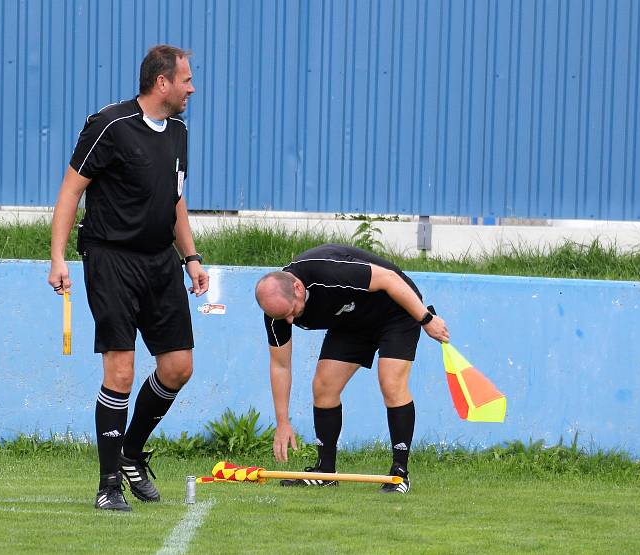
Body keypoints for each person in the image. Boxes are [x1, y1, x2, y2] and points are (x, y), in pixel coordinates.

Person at [48, 45, 209, 512]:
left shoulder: (178, 131)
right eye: (186, 80)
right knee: (120, 370)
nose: (191, 88)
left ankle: (131, 453)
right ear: (163, 82)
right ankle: (107, 487)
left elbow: (174, 200)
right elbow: (70, 191)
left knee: (179, 366)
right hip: (111, 258)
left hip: (161, 261)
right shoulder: (110, 125)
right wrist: (57, 258)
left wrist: (192, 257)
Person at [255, 244, 449, 493]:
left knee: (391, 383)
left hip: (396, 310)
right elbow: (280, 365)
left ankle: (400, 473)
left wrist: (426, 319)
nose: (290, 321)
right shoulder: (276, 312)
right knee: (324, 386)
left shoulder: (326, 271)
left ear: (297, 287)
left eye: (292, 312)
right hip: (351, 320)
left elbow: (390, 279)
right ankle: (325, 472)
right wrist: (282, 422)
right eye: (284, 318)